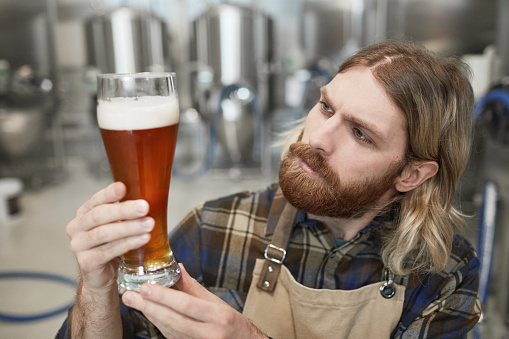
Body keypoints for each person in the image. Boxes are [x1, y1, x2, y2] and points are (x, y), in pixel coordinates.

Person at [57, 41, 481, 339]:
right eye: (326, 107)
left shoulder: (444, 273)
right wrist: (95, 288)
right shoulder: (216, 227)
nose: (317, 138)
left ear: (411, 174)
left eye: (360, 134)